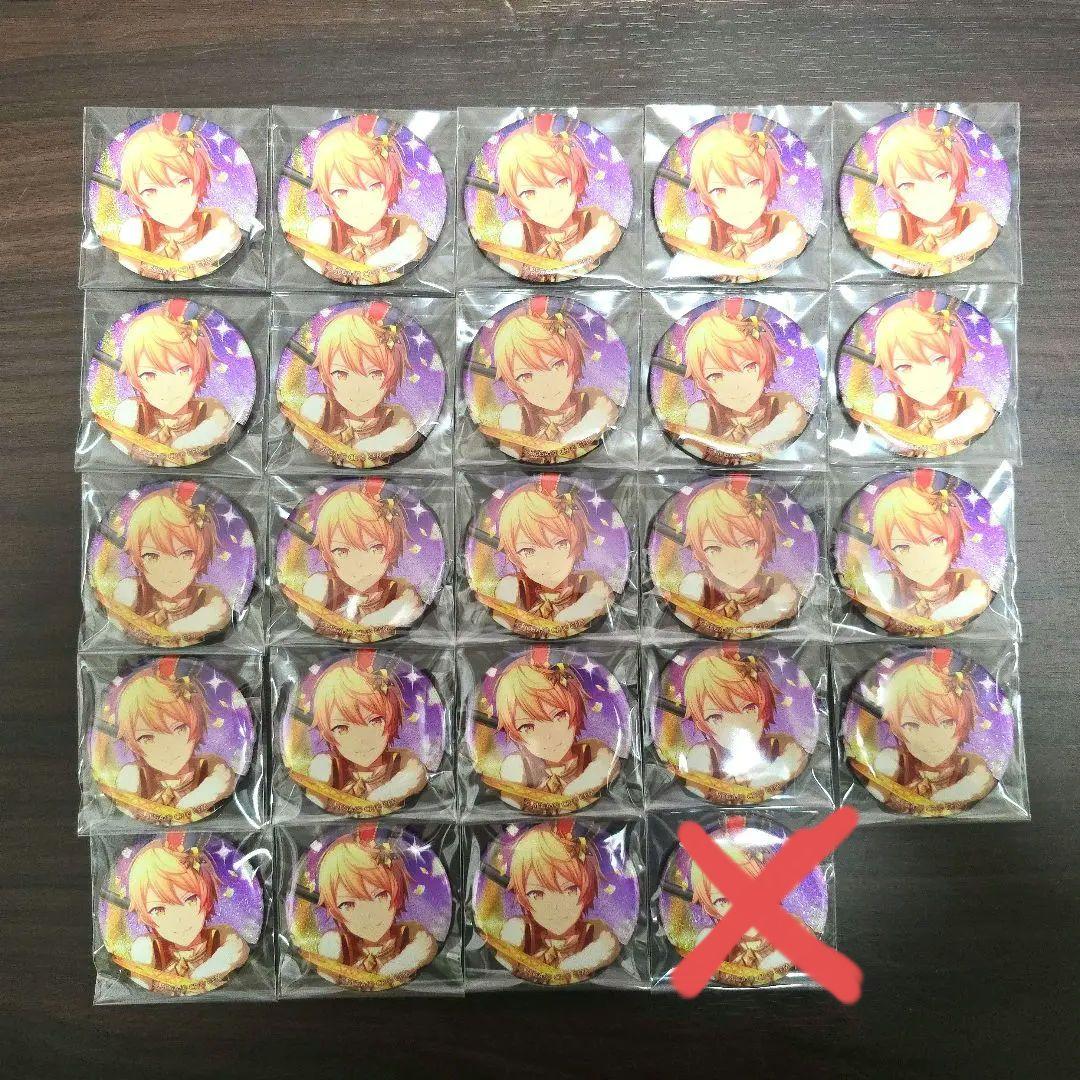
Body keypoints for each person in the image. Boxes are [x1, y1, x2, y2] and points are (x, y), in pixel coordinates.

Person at [870, 109, 998, 275]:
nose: (927, 194)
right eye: (907, 185)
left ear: (958, 172)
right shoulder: (897, 222)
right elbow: (881, 263)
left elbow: (987, 228)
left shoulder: (969, 213)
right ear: (894, 193)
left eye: (941, 176)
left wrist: (945, 253)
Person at [678, 115, 807, 279]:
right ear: (705, 197)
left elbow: (795, 237)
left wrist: (764, 256)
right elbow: (693, 259)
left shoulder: (780, 224)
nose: (739, 201)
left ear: (770, 181)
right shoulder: (709, 230)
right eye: (720, 190)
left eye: (753, 183)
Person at [495, 113, 621, 281]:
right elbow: (506, 275)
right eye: (529, 193)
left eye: (560, 182)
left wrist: (575, 257)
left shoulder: (593, 220)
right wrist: (511, 256)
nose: (549, 202)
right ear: (516, 201)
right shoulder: (519, 233)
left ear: (577, 180)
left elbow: (609, 230)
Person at [304, 114, 428, 284]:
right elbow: (308, 276)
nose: (360, 204)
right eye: (341, 192)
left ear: (391, 182)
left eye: (374, 186)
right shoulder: (326, 229)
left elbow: (417, 242)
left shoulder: (401, 225)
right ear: (326, 197)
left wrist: (377, 262)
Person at [116, 112, 241, 280]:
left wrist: (191, 258)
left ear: (200, 178)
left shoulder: (214, 220)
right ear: (135, 197)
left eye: (183, 181)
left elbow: (229, 235)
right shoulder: (138, 230)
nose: (170, 201)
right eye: (150, 191)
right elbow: (127, 271)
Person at [491, 296, 617, 460]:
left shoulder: (592, 403)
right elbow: (510, 451)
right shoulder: (518, 417)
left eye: (557, 364)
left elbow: (604, 411)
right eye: (526, 376)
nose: (547, 385)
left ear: (573, 359)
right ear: (512, 383)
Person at [680, 300, 806, 460]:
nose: (736, 386)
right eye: (715, 376)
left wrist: (759, 441)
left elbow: (795, 417)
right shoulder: (705, 413)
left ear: (766, 362)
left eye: (749, 366)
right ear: (702, 382)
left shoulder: (782, 406)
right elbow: (692, 450)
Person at [869, 294, 994, 455]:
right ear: (891, 372)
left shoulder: (967, 399)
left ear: (956, 356)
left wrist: (945, 435)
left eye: (938, 359)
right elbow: (878, 438)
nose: (924, 378)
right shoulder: (895, 406)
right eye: (904, 366)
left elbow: (982, 413)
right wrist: (885, 422)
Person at [870, 650, 994, 809]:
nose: (931, 738)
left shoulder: (970, 766)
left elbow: (981, 781)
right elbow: (877, 787)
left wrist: (951, 796)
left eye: (946, 722)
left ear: (963, 721)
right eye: (912, 725)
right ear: (896, 728)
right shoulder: (895, 763)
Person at [113, 659, 235, 821]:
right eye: (147, 737)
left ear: (196, 723)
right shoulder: (136, 779)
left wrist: (197, 800)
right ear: (132, 743)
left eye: (179, 728)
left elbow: (224, 781)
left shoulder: (209, 770)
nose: (167, 747)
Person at [126, 833, 248, 993]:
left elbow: (237, 950)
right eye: (158, 909)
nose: (178, 919)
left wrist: (201, 975)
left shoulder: (221, 938)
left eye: (190, 899)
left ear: (206, 895)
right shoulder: (149, 948)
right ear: (145, 915)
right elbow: (138, 986)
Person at [113, 299, 232, 463]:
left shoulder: (208, 409)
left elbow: (219, 424)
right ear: (135, 380)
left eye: (182, 370)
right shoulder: (135, 412)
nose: (168, 387)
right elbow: (118, 446)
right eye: (149, 374)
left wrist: (182, 445)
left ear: (199, 369)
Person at [868, 470, 990, 630]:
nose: (923, 559)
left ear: (953, 537)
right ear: (888, 552)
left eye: (936, 540)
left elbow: (978, 598)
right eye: (902, 547)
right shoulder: (888, 589)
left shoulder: (968, 586)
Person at [492, 648, 615, 807]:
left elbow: (607, 762)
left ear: (575, 710)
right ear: (516, 735)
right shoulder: (521, 767)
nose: (548, 736)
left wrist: (578, 788)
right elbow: (511, 802)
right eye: (527, 727)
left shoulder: (592, 752)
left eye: (559, 715)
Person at [296, 302, 417, 463]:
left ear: (392, 373)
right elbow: (299, 446)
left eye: (375, 373)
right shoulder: (324, 411)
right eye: (341, 373)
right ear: (325, 375)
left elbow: (406, 431)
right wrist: (306, 425)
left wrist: (372, 446)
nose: (358, 389)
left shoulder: (392, 417)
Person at [498, 821, 619, 979]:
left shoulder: (595, 932)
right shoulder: (522, 931)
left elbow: (608, 944)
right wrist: (510, 948)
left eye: (570, 890)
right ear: (523, 898)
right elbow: (505, 957)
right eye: (537, 894)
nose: (555, 906)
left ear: (587, 887)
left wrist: (574, 965)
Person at [681, 647, 807, 799]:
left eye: (749, 708)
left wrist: (763, 781)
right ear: (703, 723)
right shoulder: (703, 754)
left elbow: (796, 756)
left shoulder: (779, 745)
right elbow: (695, 790)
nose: (737, 724)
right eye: (715, 717)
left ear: (764, 703)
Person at [316, 826, 437, 982]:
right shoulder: (341, 947)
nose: (368, 914)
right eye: (348, 904)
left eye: (380, 895)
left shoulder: (409, 937)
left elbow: (426, 944)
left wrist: (394, 969)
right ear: (335, 911)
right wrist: (329, 962)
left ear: (396, 891)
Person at [493, 476, 612, 635]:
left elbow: (600, 595)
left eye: (560, 543)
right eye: (528, 551)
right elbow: (499, 626)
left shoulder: (588, 584)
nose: (547, 561)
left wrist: (572, 616)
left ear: (577, 541)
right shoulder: (515, 589)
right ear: (514, 556)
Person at [307, 652, 426, 810]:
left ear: (391, 717)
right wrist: (319, 782)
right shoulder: (329, 767)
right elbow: (314, 804)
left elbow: (416, 773)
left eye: (374, 721)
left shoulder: (401, 762)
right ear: (327, 732)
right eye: (342, 728)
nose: (362, 739)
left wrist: (382, 796)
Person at [678, 477, 798, 632]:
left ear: (766, 540)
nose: (733, 561)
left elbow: (788, 596)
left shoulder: (774, 585)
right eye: (714, 549)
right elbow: (685, 615)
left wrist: (760, 615)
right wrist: (688, 605)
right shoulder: (700, 585)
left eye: (748, 544)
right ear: (699, 552)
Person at [302, 480, 423, 632]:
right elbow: (306, 619)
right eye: (342, 551)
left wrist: (382, 618)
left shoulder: (398, 593)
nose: (360, 563)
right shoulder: (324, 590)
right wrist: (311, 606)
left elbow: (412, 605)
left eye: (376, 548)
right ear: (327, 555)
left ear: (392, 548)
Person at [113, 482, 229, 639]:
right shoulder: (134, 593)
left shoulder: (207, 598)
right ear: (136, 558)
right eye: (152, 556)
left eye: (185, 553)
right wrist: (121, 610)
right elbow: (115, 621)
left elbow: (219, 611)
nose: (170, 570)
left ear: (202, 553)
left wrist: (176, 629)